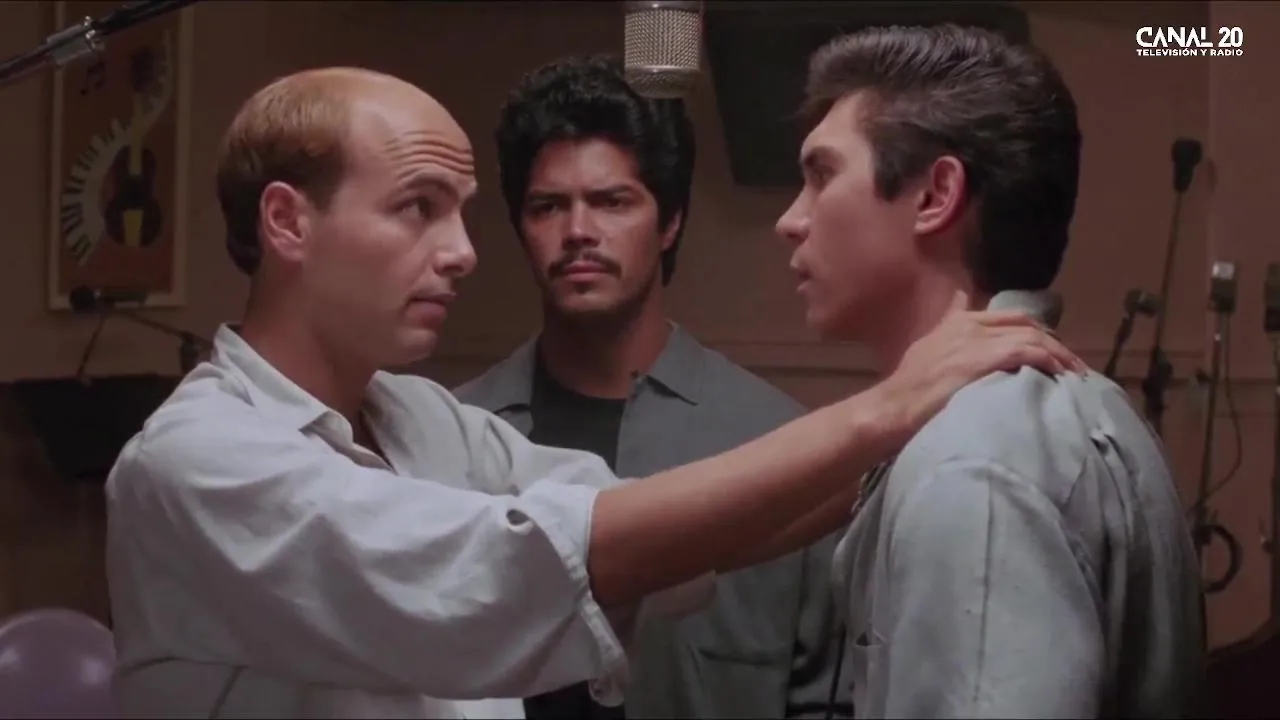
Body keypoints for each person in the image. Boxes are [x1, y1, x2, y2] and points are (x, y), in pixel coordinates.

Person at [104, 66, 1083, 719]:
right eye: (417, 209)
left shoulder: (419, 418)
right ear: (287, 222)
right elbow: (527, 562)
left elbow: (640, 529)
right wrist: (886, 406)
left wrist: (919, 426)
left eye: (461, 214)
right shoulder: (195, 464)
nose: (462, 252)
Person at [775, 25, 1206, 718]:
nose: (790, 221)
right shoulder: (1075, 405)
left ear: (935, 195)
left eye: (822, 175)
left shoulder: (973, 463)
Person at [455, 56, 848, 720]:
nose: (578, 232)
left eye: (612, 202)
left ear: (669, 223)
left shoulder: (778, 446)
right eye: (548, 206)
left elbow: (830, 695)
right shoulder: (455, 437)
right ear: (521, 228)